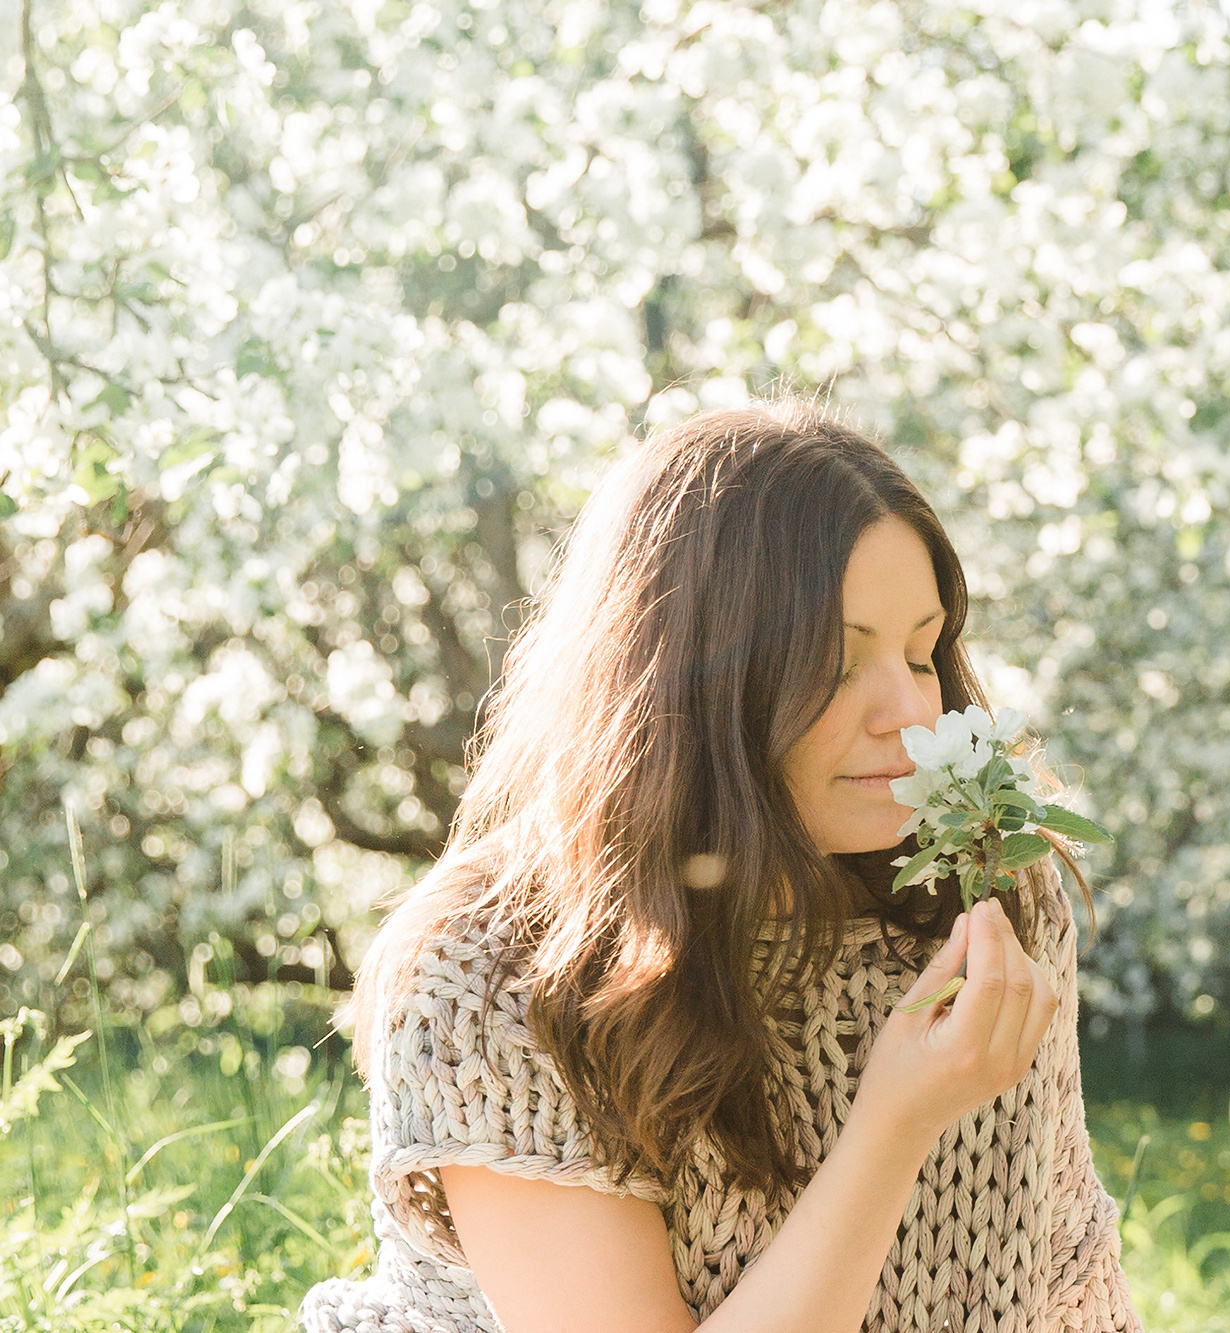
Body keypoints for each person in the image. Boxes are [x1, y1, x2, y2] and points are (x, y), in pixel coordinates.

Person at [301, 400, 1137, 1333]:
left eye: (921, 649)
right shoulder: (495, 979)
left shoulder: (981, 898)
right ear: (693, 674)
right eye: (838, 657)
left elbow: (1064, 1272)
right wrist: (894, 1125)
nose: (908, 709)